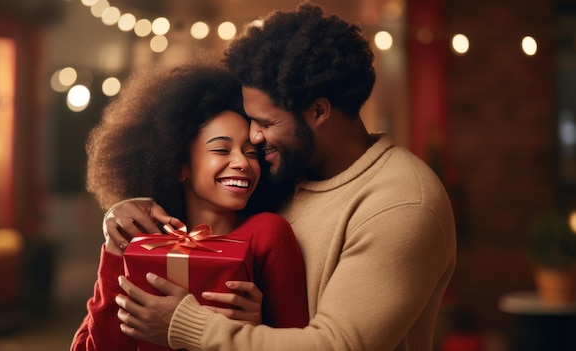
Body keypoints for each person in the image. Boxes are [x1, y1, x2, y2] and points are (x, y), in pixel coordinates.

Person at [105, 3, 457, 350]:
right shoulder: (287, 170)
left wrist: (186, 324)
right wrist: (127, 208)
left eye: (267, 123)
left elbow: (337, 345)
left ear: (318, 111)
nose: (254, 138)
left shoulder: (402, 203)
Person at [70, 63, 309, 351]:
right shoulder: (144, 242)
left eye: (251, 152)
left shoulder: (267, 233)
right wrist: (114, 250)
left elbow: (297, 341)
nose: (243, 163)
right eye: (221, 149)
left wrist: (255, 333)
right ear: (180, 165)